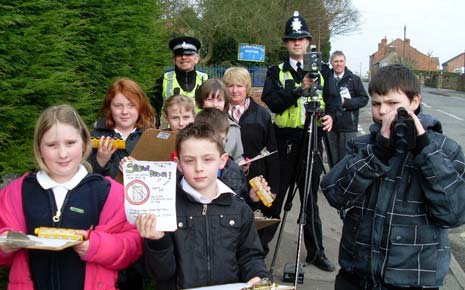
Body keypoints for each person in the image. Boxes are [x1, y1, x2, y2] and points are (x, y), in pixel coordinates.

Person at [321, 64, 465, 290]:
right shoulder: (362, 146)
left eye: (392, 104)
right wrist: (377, 154)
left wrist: (425, 152)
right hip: (357, 274)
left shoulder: (446, 150)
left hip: (413, 279)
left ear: (414, 102)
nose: (382, 112)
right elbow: (335, 194)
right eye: (377, 104)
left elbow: (454, 213)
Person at [0, 104, 142, 290]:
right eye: (51, 145)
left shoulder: (109, 192)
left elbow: (132, 245)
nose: (62, 154)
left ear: (84, 141)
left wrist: (95, 246)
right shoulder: (17, 192)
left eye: (70, 143)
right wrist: (5, 245)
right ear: (39, 147)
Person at [137, 122, 271, 289]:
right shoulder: (165, 207)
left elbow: (250, 256)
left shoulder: (239, 208)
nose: (199, 168)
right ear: (178, 163)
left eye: (207, 159)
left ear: (222, 161)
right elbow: (161, 274)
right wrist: (157, 242)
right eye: (189, 161)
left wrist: (258, 277)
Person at [261, 11, 337, 271]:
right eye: (292, 39)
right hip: (283, 143)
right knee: (275, 198)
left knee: (309, 200)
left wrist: (330, 118)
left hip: (311, 140)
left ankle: (316, 252)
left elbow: (334, 102)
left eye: (302, 38)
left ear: (308, 41)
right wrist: (298, 89)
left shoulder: (324, 71)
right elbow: (273, 102)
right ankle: (258, 250)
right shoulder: (275, 71)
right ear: (286, 43)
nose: (297, 43)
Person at [223, 66, 280, 254]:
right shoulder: (219, 113)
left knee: (254, 225)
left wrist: (274, 187)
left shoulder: (261, 114)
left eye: (239, 85)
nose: (234, 90)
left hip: (255, 179)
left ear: (247, 87)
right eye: (230, 85)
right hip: (226, 179)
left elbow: (272, 152)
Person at [89, 77, 155, 179]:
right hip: (108, 194)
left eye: (131, 105)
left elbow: (161, 177)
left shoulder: (150, 137)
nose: (125, 112)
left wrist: (142, 170)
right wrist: (100, 160)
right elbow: (87, 179)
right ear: (109, 108)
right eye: (118, 106)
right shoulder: (95, 137)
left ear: (141, 107)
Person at [323, 50, 368, 166]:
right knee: (333, 161)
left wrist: (345, 102)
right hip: (330, 126)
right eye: (336, 61)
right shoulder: (326, 79)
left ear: (345, 62)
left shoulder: (354, 79)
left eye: (341, 61)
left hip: (348, 126)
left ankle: (345, 184)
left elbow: (364, 99)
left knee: (347, 161)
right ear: (331, 63)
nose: (338, 64)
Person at [151, 36, 208, 127]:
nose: (183, 57)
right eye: (179, 54)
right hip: (168, 136)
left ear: (196, 58)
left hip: (198, 136)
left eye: (189, 54)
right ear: (174, 59)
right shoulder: (163, 80)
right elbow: (153, 111)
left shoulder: (205, 80)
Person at [194, 108, 249, 201]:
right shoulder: (191, 167)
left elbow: (242, 201)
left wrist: (252, 198)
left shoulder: (234, 170)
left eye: (222, 139)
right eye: (212, 138)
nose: (217, 143)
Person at [195, 78, 245, 164]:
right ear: (201, 101)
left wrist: (242, 165)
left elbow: (237, 157)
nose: (215, 105)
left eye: (220, 100)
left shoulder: (233, 128)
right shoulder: (194, 126)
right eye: (210, 100)